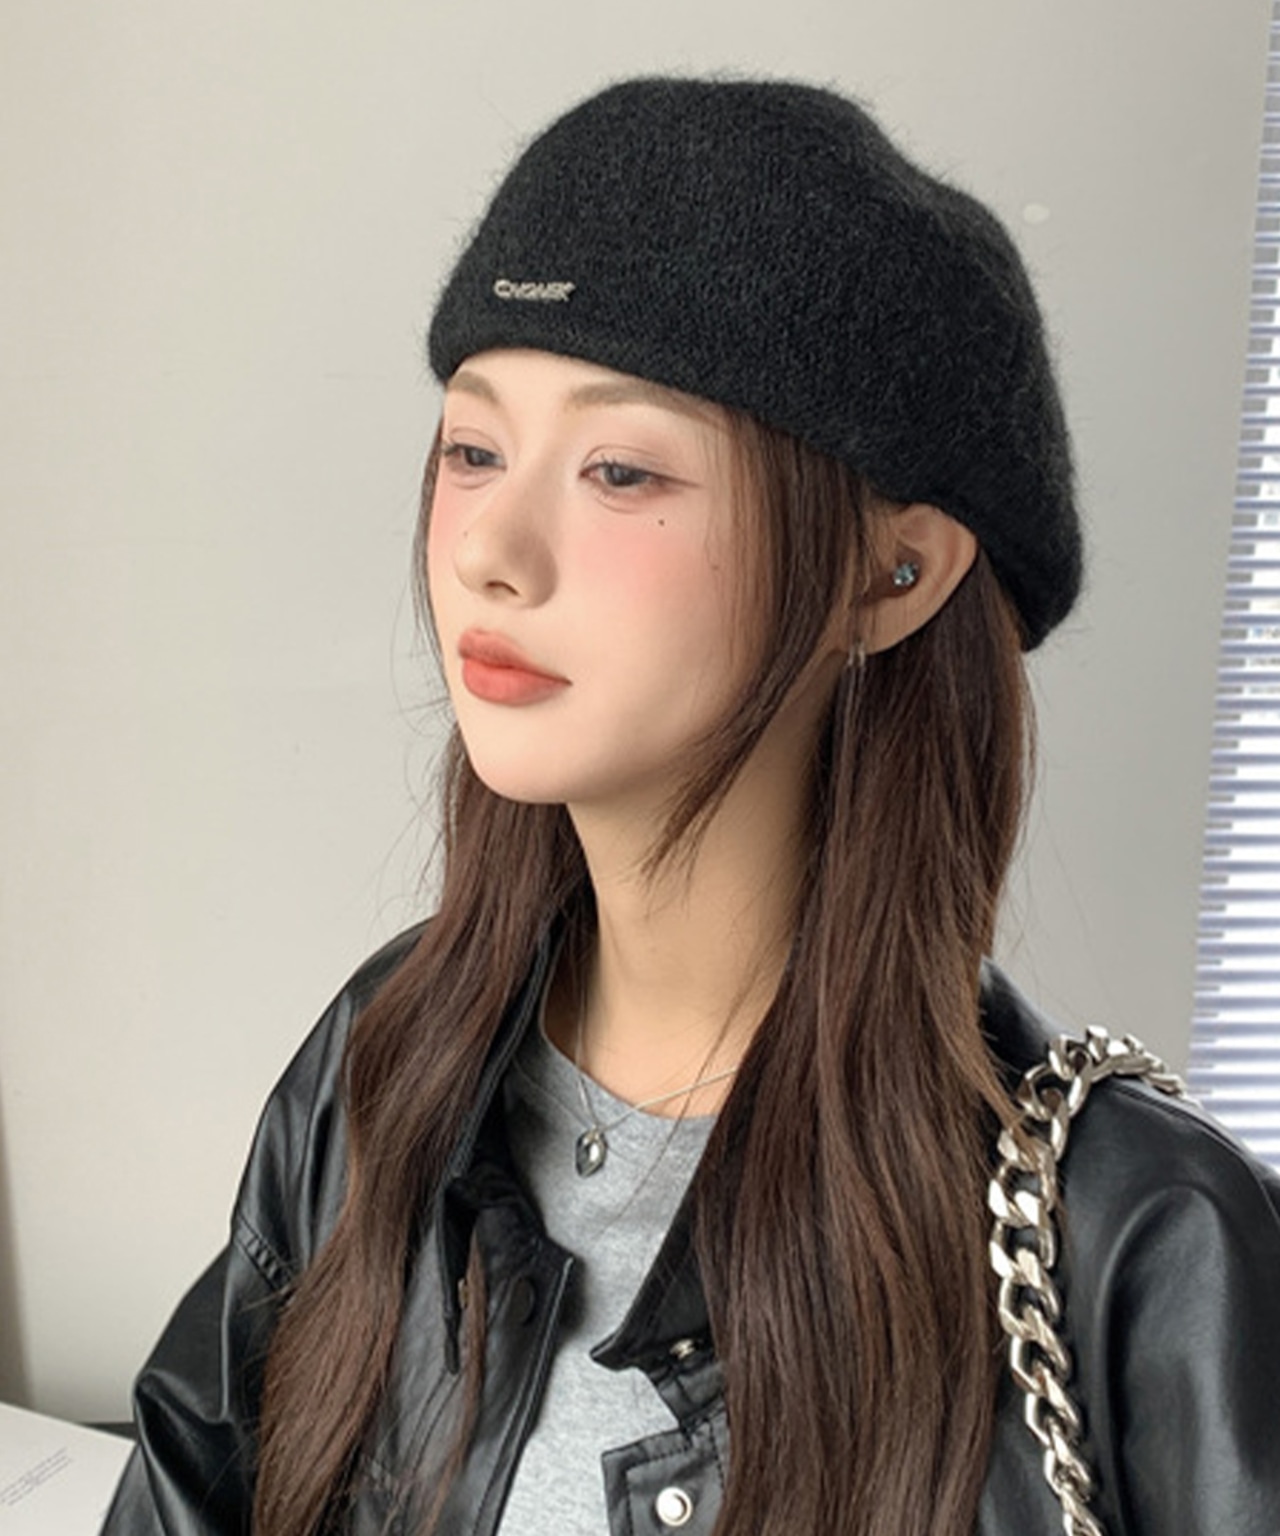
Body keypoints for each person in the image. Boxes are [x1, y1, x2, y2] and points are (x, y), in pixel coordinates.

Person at [103, 77, 1280, 1536]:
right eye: (473, 450)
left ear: (891, 575)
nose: (490, 551)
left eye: (620, 468)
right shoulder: (382, 1063)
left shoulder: (1145, 1247)